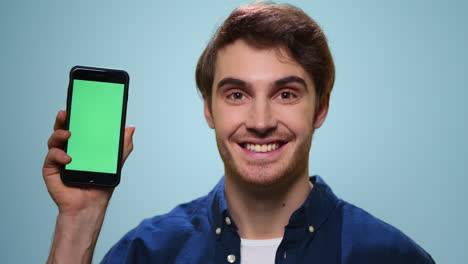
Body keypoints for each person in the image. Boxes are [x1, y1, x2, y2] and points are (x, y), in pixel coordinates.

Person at [43, 2, 435, 263]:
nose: (260, 120)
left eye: (285, 93)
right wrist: (80, 218)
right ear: (208, 109)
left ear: (321, 108)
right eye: (236, 93)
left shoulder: (389, 255)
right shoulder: (148, 252)